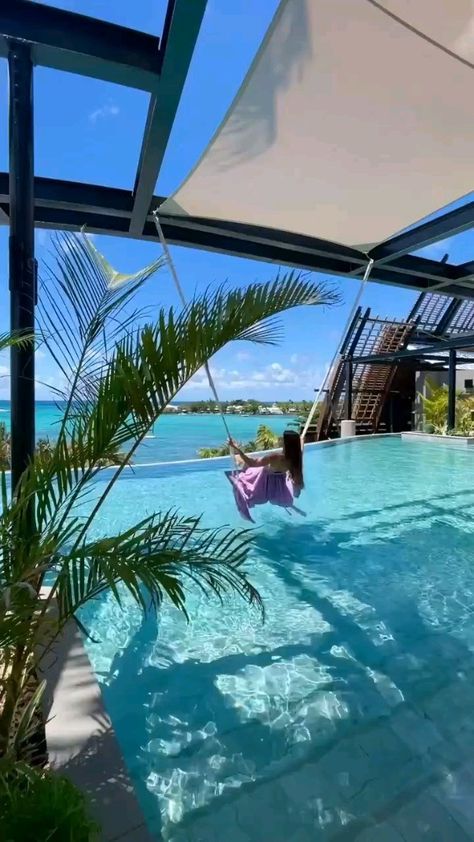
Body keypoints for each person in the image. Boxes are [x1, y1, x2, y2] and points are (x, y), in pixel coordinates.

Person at [226, 429, 304, 522]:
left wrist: (237, 448)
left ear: (285, 443)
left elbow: (252, 463)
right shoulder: (296, 459)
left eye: (282, 439)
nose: (280, 439)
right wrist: (301, 441)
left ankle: (237, 456)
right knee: (246, 463)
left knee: (243, 468)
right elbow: (301, 448)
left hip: (264, 480)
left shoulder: (276, 457)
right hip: (279, 484)